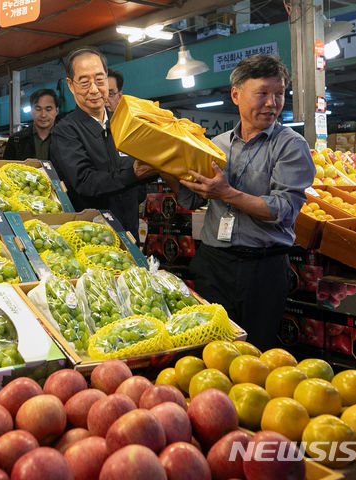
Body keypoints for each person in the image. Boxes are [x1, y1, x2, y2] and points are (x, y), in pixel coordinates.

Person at [161, 54, 315, 350]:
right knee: (211, 350)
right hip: (214, 264)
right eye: (262, 94)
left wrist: (227, 194)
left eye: (279, 94)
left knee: (254, 353)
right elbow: (191, 197)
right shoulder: (214, 145)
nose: (272, 103)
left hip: (263, 268)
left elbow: (283, 211)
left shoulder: (290, 146)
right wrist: (164, 166)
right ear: (236, 94)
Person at [50, 46, 157, 239]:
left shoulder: (123, 124)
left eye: (100, 80)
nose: (94, 89)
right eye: (84, 82)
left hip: (130, 230)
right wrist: (133, 173)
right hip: (91, 237)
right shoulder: (65, 131)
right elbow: (85, 181)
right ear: (70, 85)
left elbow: (141, 172)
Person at [3, 88, 59, 160]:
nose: (43, 115)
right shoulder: (16, 140)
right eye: (38, 109)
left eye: (48, 109)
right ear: (31, 111)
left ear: (56, 111)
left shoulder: (68, 138)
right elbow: (6, 168)